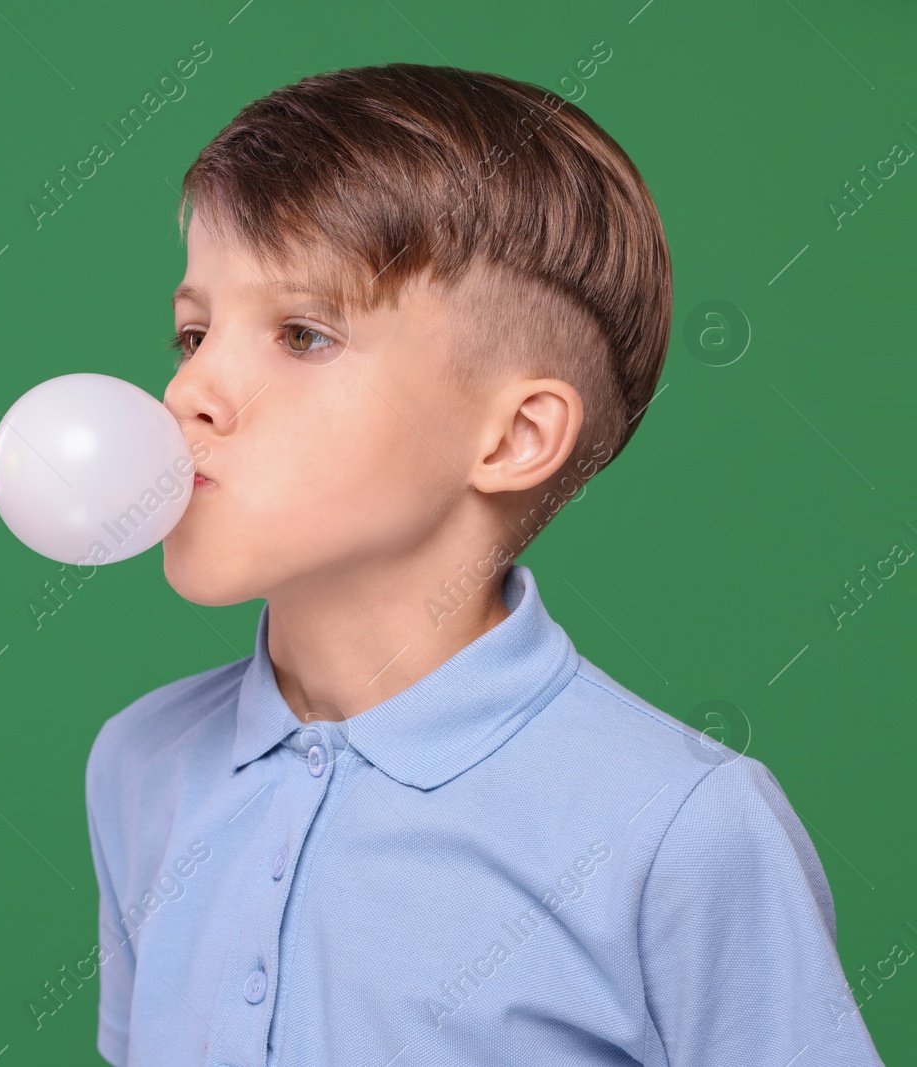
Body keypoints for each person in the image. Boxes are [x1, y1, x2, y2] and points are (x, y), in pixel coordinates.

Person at [83, 63, 885, 1066]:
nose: (190, 386)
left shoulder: (683, 828)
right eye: (193, 331)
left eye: (302, 333)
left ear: (512, 438)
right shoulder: (142, 762)